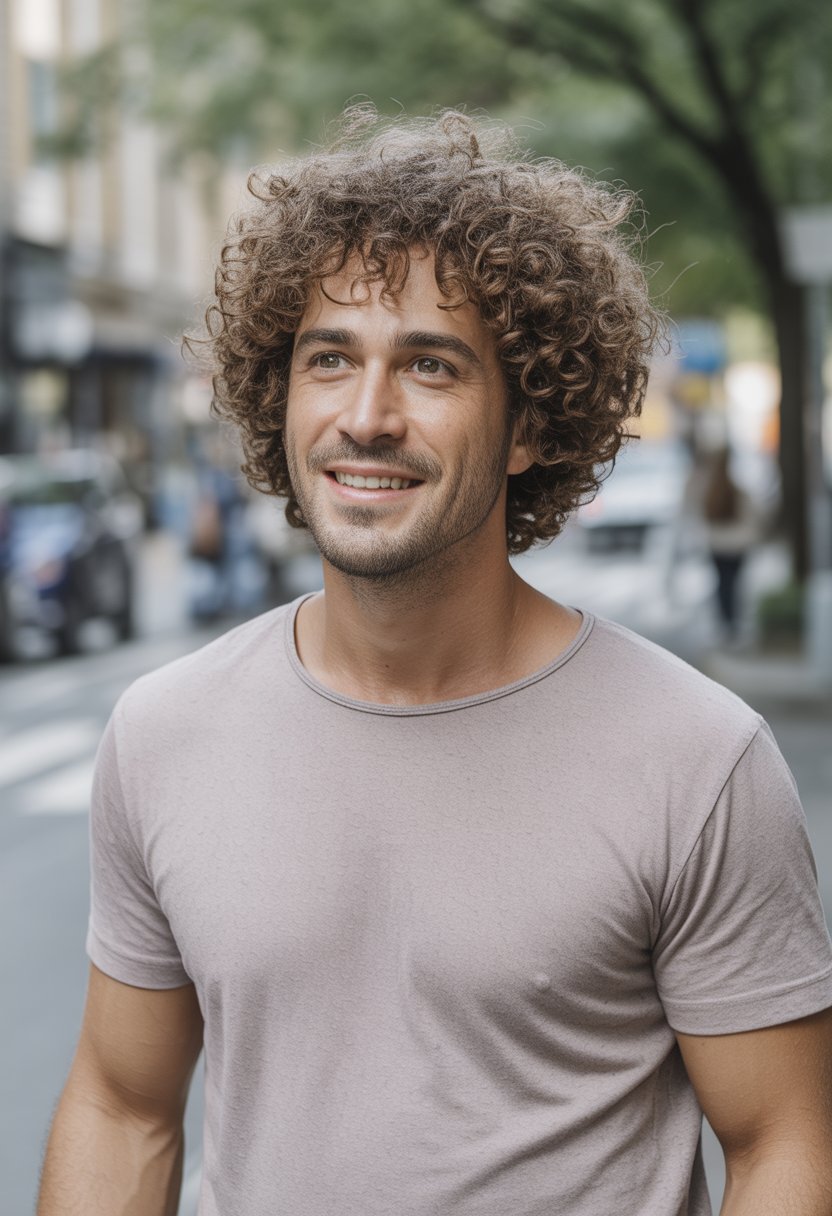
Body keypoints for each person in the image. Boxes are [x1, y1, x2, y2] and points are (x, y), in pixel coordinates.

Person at [38, 109, 832, 1216]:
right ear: (282, 395)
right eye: (330, 359)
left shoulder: (696, 759)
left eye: (431, 364)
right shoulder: (164, 730)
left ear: (528, 427)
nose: (366, 416)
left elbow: (784, 1143)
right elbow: (124, 1107)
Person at [699, 446, 760, 643]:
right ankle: (732, 622)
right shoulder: (738, 489)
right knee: (733, 583)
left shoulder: (710, 490)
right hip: (737, 545)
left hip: (717, 544)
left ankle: (726, 622)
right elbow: (750, 516)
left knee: (723, 583)